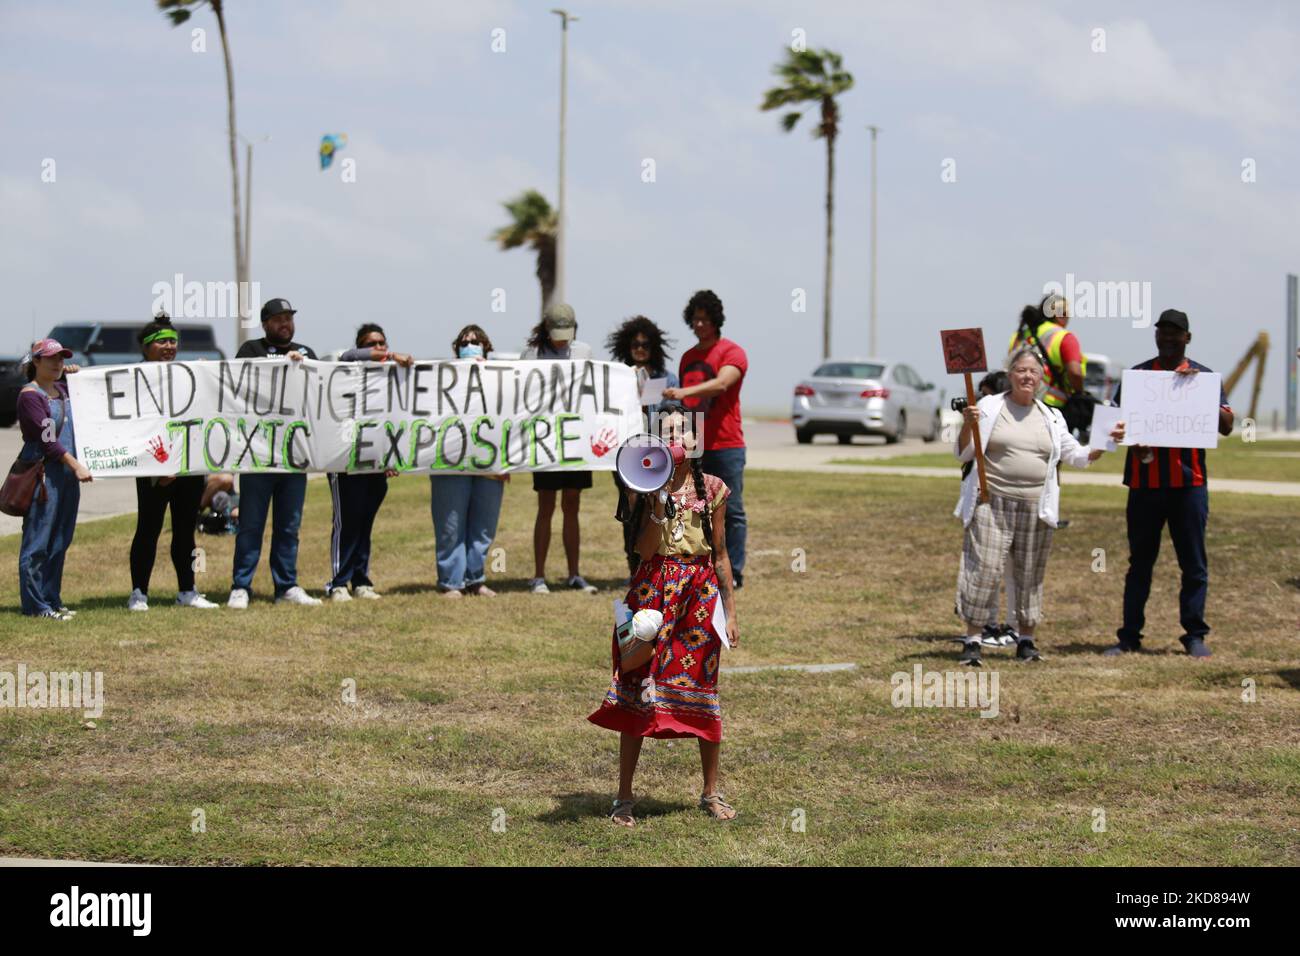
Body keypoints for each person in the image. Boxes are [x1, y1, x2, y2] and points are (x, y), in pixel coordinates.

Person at [588, 401, 740, 826]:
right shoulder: (641, 484)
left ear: (696, 441)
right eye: (667, 432)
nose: (677, 438)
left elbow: (722, 554)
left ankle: (711, 792)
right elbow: (645, 550)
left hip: (699, 595)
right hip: (654, 593)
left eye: (683, 431)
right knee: (637, 686)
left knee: (704, 688)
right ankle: (624, 796)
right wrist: (656, 502)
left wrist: (730, 611)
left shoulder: (713, 489)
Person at [953, 347, 1123, 666]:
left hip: (1036, 506)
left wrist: (1103, 443)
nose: (1027, 376)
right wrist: (966, 424)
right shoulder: (988, 407)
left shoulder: (1051, 416)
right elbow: (963, 454)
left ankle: (1026, 640)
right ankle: (973, 639)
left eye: (1033, 371)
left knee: (1030, 573)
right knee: (984, 568)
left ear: (1042, 377)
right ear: (1010, 374)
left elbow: (1079, 456)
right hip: (991, 501)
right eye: (1021, 370)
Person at [1104, 309, 1234, 659]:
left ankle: (1194, 634)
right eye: (1162, 332)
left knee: (1193, 563)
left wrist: (1200, 393)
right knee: (1140, 563)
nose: (1168, 339)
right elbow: (1112, 424)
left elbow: (1226, 425)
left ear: (1187, 338)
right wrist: (1128, 436)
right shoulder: (1138, 377)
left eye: (1175, 333)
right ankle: (1129, 636)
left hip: (1189, 484)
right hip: (1145, 484)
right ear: (1155, 336)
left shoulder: (1203, 377)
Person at [228, 297, 321, 608]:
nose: (286, 324)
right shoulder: (250, 350)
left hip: (294, 455)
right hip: (258, 455)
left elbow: (322, 389)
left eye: (289, 319)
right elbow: (238, 385)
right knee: (251, 525)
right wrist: (279, 366)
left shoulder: (307, 353)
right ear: (265, 324)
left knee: (289, 526)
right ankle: (241, 586)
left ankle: (286, 586)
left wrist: (302, 366)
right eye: (279, 319)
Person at [127, 315, 218, 611]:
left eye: (173, 341)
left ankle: (187, 590)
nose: (169, 346)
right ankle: (139, 592)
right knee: (148, 528)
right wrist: (158, 468)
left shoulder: (187, 373)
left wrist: (207, 374)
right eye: (162, 341)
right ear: (146, 346)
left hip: (189, 467)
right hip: (154, 468)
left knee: (185, 531)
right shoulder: (134, 377)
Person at [662, 289, 749, 589]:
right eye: (695, 319)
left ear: (716, 320)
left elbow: (723, 383)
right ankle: (699, 563)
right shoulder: (687, 357)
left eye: (705, 319)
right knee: (694, 504)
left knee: (731, 508)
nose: (699, 325)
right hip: (693, 444)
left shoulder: (732, 352)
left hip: (726, 443)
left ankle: (734, 570)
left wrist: (685, 393)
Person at [326, 324, 413, 602]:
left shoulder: (389, 380)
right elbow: (349, 357)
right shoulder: (347, 370)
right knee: (347, 523)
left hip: (375, 462)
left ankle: (361, 579)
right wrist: (386, 356)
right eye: (371, 344)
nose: (378, 348)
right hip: (346, 462)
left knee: (365, 524)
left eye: (382, 343)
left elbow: (393, 420)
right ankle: (339, 582)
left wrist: (391, 455)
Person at [521, 303, 598, 594]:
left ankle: (573, 573)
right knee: (546, 505)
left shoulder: (584, 351)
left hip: (576, 440)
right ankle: (539, 575)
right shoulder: (531, 355)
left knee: (572, 504)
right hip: (545, 440)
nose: (561, 338)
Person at [15, 339, 93, 619]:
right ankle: (35, 606)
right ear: (36, 362)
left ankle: (51, 598)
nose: (58, 363)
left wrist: (78, 376)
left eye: (61, 358)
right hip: (45, 474)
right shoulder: (30, 396)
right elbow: (48, 442)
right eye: (51, 358)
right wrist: (75, 466)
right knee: (38, 543)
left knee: (60, 539)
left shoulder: (62, 389)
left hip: (67, 476)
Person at [429, 324, 508, 598]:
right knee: (450, 524)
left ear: (486, 348)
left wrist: (506, 460)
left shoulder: (502, 379)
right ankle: (451, 581)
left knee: (483, 526)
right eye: (465, 341)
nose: (470, 345)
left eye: (475, 341)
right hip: (449, 461)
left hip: (489, 462)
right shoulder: (442, 377)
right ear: (456, 348)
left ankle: (475, 578)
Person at [606, 315, 679, 578]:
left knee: (656, 507)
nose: (639, 348)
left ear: (654, 347)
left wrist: (662, 405)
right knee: (631, 506)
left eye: (645, 344)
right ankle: (633, 563)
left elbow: (678, 414)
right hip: (627, 453)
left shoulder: (667, 378)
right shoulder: (617, 378)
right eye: (635, 344)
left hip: (657, 454)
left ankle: (655, 562)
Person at [1009, 294, 1089, 432]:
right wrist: (1079, 394)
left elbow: (1010, 364)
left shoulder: (1021, 335)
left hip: (1017, 403)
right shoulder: (1064, 337)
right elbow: (1075, 373)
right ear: (1060, 315)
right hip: (1051, 405)